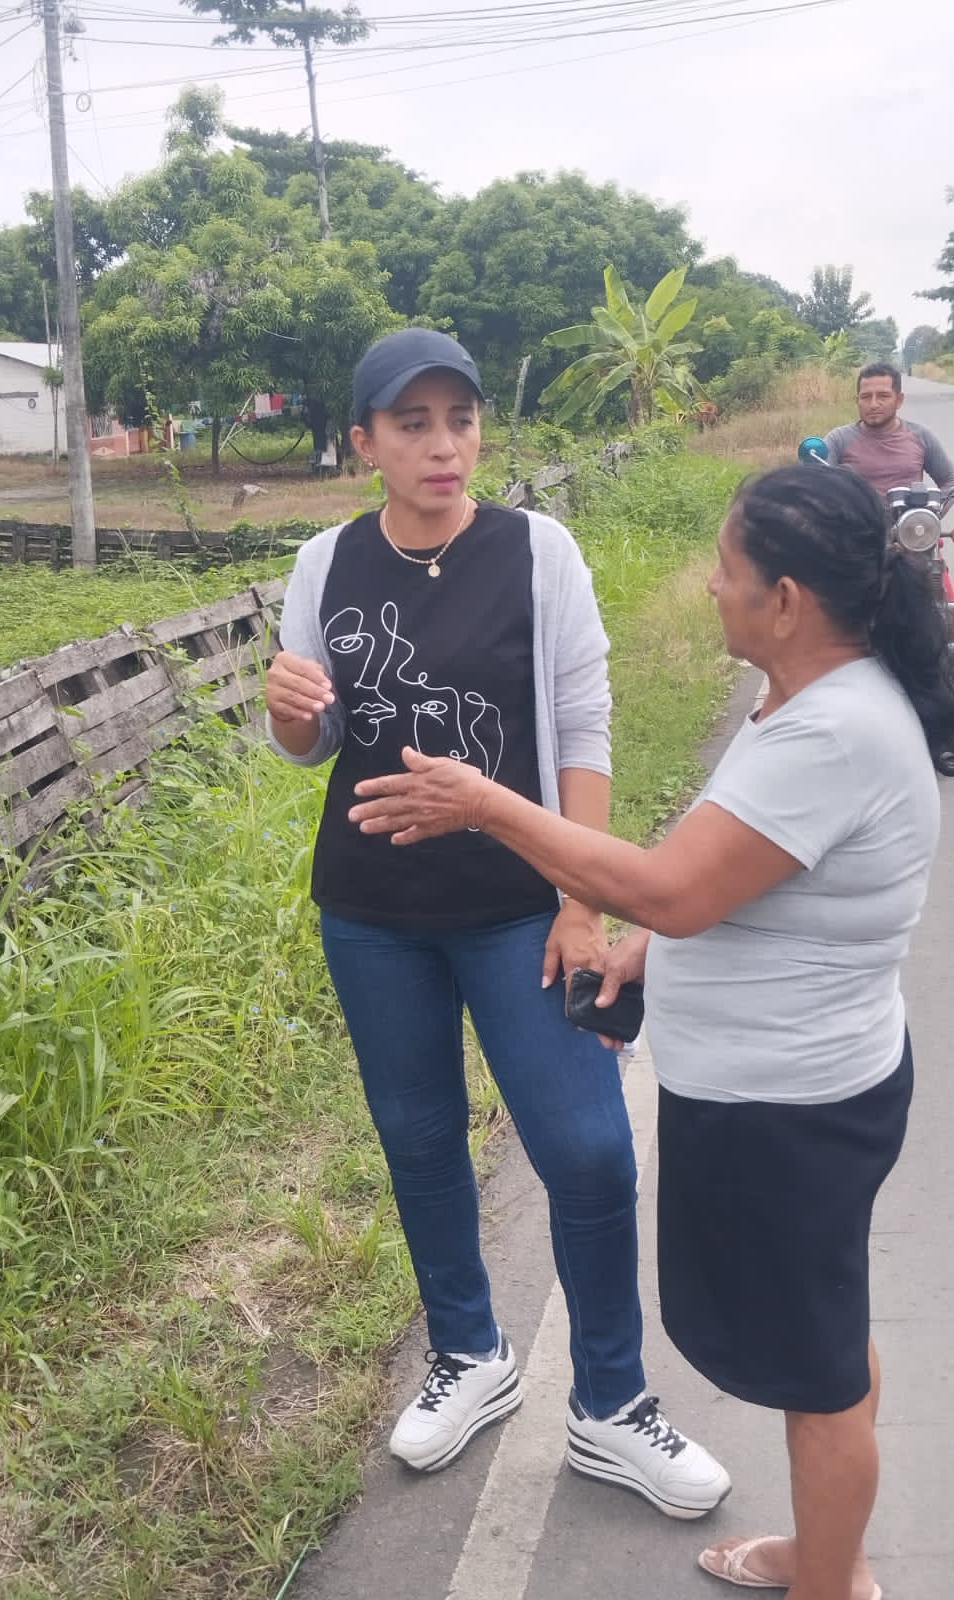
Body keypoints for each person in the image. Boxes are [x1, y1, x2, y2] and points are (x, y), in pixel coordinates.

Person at [348, 463, 954, 1600]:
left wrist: (485, 804)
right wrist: (648, 954)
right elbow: (750, 876)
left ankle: (831, 1583)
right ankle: (827, 1553)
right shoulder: (807, 694)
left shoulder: (832, 729)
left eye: (726, 572)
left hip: (789, 1111)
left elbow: (672, 888)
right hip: (801, 1087)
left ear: (786, 599)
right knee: (824, 1340)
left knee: (820, 1374)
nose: (712, 589)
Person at [264, 327, 729, 1517]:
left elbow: (583, 720)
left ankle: (610, 1402)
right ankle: (469, 1353)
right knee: (418, 1139)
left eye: (459, 420)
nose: (443, 445)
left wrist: (581, 900)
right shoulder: (323, 560)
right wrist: (288, 711)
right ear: (363, 441)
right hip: (372, 911)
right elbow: (311, 740)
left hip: (521, 906)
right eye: (411, 424)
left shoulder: (536, 550)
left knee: (587, 1149)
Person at [823, 361, 954, 739]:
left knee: (950, 620)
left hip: (918, 547)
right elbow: (817, 479)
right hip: (861, 550)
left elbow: (951, 480)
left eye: (882, 395)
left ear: (899, 399)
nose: (873, 403)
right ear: (857, 400)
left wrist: (930, 517)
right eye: (866, 396)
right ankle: (842, 713)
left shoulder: (920, 437)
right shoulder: (839, 440)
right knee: (844, 627)